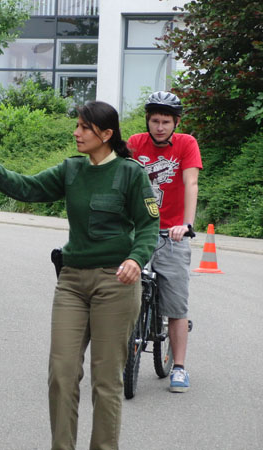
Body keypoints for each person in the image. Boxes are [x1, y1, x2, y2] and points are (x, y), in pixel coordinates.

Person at [0, 101, 160, 450]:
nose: (76, 132)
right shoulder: (72, 170)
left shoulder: (131, 173)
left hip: (116, 283)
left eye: (84, 127)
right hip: (72, 282)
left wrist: (136, 260)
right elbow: (29, 188)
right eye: (77, 125)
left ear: (106, 134)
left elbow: (148, 225)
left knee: (106, 381)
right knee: (62, 376)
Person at [128, 91, 202, 393]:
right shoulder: (134, 144)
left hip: (172, 231)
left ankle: (180, 367)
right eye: (155, 121)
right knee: (121, 288)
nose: (160, 127)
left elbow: (191, 182)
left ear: (176, 123)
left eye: (166, 121)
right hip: (138, 229)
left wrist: (187, 225)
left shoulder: (186, 144)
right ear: (148, 120)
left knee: (175, 301)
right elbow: (121, 178)